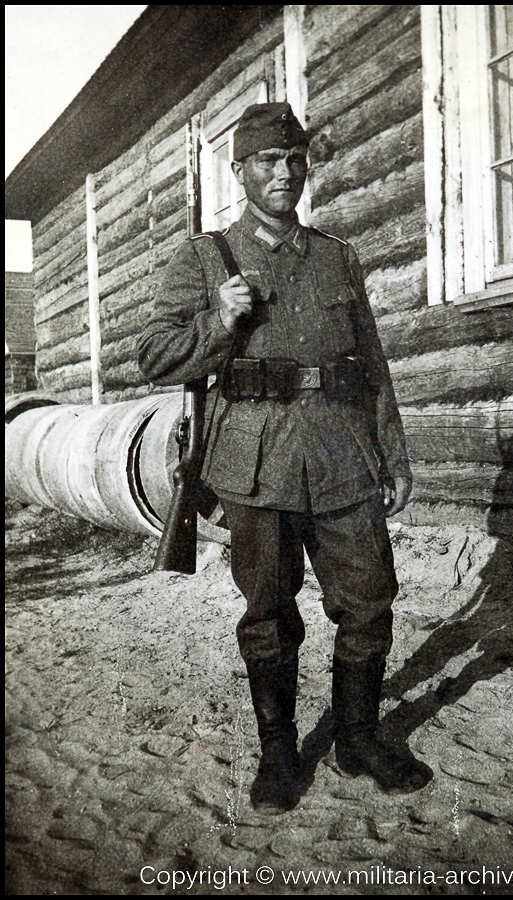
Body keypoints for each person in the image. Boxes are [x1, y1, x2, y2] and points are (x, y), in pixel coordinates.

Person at [138, 102, 418, 814]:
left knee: (369, 602)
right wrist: (216, 319)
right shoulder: (207, 258)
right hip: (255, 466)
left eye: (295, 160)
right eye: (268, 161)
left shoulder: (337, 256)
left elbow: (373, 364)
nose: (285, 173)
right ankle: (279, 753)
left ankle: (357, 737)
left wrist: (394, 453)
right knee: (268, 611)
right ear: (239, 172)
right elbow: (151, 354)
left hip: (344, 456)